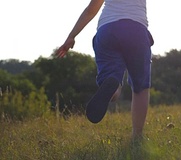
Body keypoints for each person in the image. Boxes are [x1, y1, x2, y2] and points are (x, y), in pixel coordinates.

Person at [56, 0, 153, 138]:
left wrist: (71, 36)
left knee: (111, 78)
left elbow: (91, 9)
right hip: (136, 30)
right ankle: (137, 136)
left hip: (107, 30)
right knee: (140, 87)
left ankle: (112, 88)